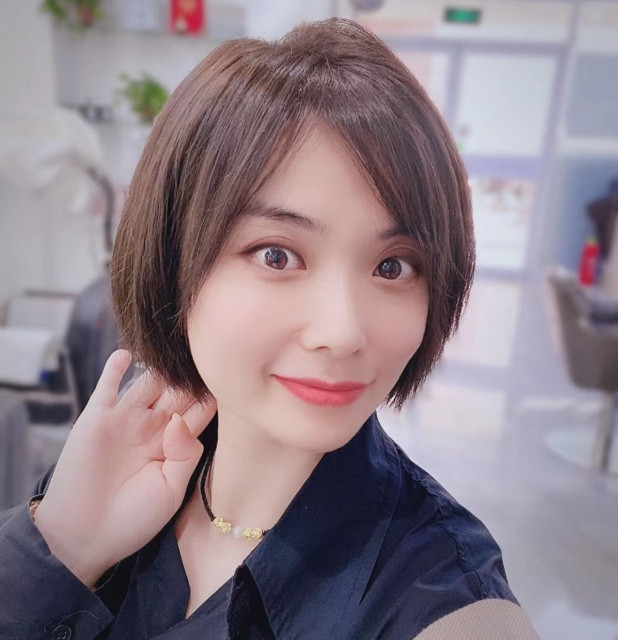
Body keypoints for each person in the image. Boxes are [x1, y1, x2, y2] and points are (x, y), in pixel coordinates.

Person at [0, 18, 540, 640]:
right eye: (277, 255)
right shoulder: (105, 487)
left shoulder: (447, 604)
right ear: (175, 261)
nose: (343, 332)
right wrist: (64, 546)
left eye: (392, 266)